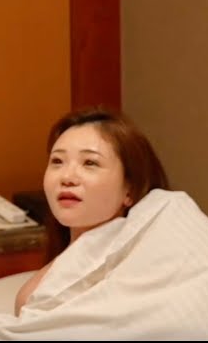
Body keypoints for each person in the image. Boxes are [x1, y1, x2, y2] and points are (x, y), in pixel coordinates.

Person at [13, 108, 169, 316]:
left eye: (90, 163)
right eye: (57, 161)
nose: (67, 177)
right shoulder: (37, 291)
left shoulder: (148, 276)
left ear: (130, 190)